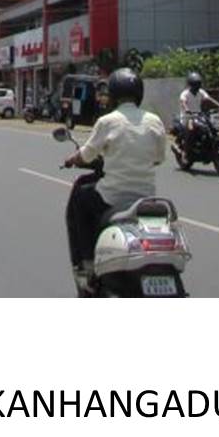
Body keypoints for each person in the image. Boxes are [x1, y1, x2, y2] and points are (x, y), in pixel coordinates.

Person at [63, 68, 166, 291]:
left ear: (113, 94)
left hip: (112, 197)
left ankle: (86, 265)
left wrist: (73, 159)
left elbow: (87, 154)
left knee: (80, 198)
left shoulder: (108, 121)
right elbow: (159, 158)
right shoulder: (155, 121)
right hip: (146, 197)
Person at [175, 71, 219, 152]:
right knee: (191, 130)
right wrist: (187, 109)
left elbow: (209, 99)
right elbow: (183, 102)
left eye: (198, 84)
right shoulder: (185, 94)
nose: (197, 86)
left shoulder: (201, 92)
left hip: (199, 116)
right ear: (190, 85)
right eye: (195, 84)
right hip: (187, 117)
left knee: (210, 126)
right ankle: (185, 152)